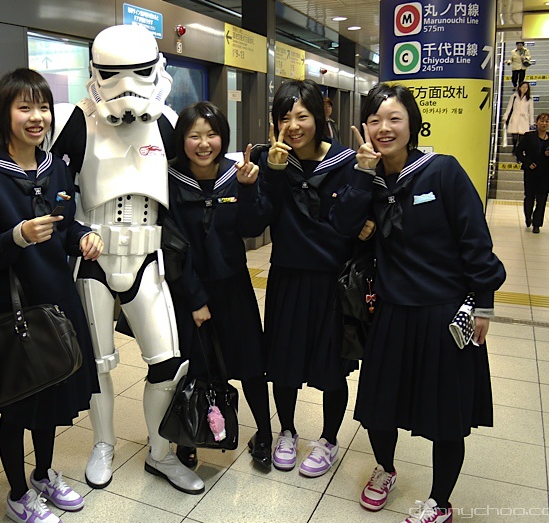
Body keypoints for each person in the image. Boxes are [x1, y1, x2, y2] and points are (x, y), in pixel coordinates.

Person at [50, 24, 205, 495]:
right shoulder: (76, 120)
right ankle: (103, 443)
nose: (126, 86)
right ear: (96, 72)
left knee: (168, 363)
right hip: (93, 260)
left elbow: (190, 190)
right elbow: (52, 189)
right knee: (96, 364)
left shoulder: (168, 123)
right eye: (114, 74)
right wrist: (74, 231)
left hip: (149, 259)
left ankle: (160, 453)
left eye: (137, 72)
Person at [345, 83, 506, 523]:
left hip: (444, 311)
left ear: (412, 123)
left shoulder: (443, 171)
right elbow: (342, 229)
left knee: (445, 416)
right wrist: (361, 179)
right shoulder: (366, 176)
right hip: (391, 311)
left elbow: (475, 239)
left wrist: (484, 302)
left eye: (394, 118)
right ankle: (385, 469)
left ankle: (440, 501)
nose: (384, 128)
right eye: (375, 120)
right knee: (378, 407)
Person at [0, 68, 103, 523]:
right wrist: (18, 237)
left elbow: (64, 228)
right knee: (18, 406)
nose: (36, 117)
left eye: (42, 107)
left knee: (53, 395)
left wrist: (83, 235)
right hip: (14, 310)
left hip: (58, 303)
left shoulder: (56, 167)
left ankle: (43, 473)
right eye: (25, 107)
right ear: (5, 113)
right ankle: (17, 492)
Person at [241, 79, 369, 479]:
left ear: (320, 115)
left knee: (332, 368)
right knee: (284, 363)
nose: (293, 125)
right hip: (288, 278)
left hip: (333, 283)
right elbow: (257, 222)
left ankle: (329, 439)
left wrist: (365, 176)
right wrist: (271, 174)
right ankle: (288, 431)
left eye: (302, 116)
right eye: (284, 117)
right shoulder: (271, 160)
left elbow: (351, 223)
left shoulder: (348, 162)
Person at [164, 102, 273, 470]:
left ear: (222, 137)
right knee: (194, 364)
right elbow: (171, 245)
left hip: (234, 286)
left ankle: (265, 433)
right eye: (194, 135)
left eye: (211, 134)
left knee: (251, 362)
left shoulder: (237, 174)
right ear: (183, 139)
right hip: (189, 288)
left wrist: (247, 189)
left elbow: (252, 228)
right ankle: (189, 435)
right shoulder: (169, 180)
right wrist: (194, 298)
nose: (203, 142)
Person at [515, 112, 549, 234]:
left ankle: (537, 224)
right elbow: (519, 152)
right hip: (531, 172)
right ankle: (528, 216)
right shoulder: (528, 136)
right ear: (537, 122)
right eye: (542, 121)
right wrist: (527, 162)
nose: (544, 123)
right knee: (529, 197)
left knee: (542, 199)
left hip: (546, 173)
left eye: (547, 121)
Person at [502, 81, 533, 151]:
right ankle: (514, 148)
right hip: (515, 117)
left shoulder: (530, 98)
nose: (524, 89)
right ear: (519, 88)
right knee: (515, 136)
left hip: (524, 119)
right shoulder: (514, 97)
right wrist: (505, 117)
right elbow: (509, 108)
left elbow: (531, 111)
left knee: (522, 137)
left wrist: (531, 122)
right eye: (523, 87)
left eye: (526, 87)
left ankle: (519, 150)